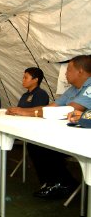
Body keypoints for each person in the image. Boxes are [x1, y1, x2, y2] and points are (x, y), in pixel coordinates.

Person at [11, 56, 91, 198]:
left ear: (80, 71)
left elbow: (66, 110)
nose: (66, 73)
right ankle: (56, 182)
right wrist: (22, 111)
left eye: (69, 69)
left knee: (42, 145)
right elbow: (52, 107)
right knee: (35, 142)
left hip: (83, 139)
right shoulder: (73, 89)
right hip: (68, 132)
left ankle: (62, 182)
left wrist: (28, 113)